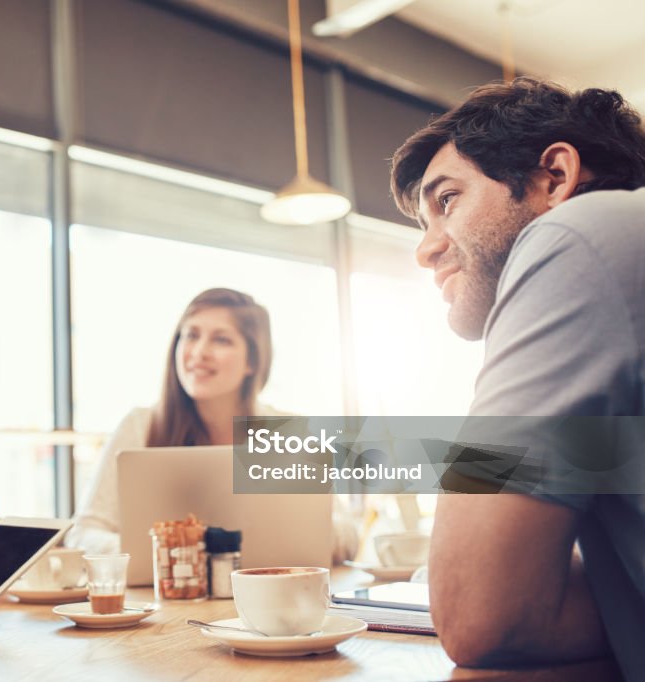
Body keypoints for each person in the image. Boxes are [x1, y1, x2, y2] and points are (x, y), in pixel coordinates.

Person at [390, 77, 645, 677]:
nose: (425, 250)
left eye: (446, 199)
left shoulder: (581, 232)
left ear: (554, 178)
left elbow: (480, 614)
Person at [67, 288, 358, 562]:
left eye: (221, 340)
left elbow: (348, 537)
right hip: (163, 606)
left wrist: (298, 531)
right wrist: (151, 554)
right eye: (191, 335)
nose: (199, 352)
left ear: (252, 362)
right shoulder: (140, 425)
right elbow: (83, 533)